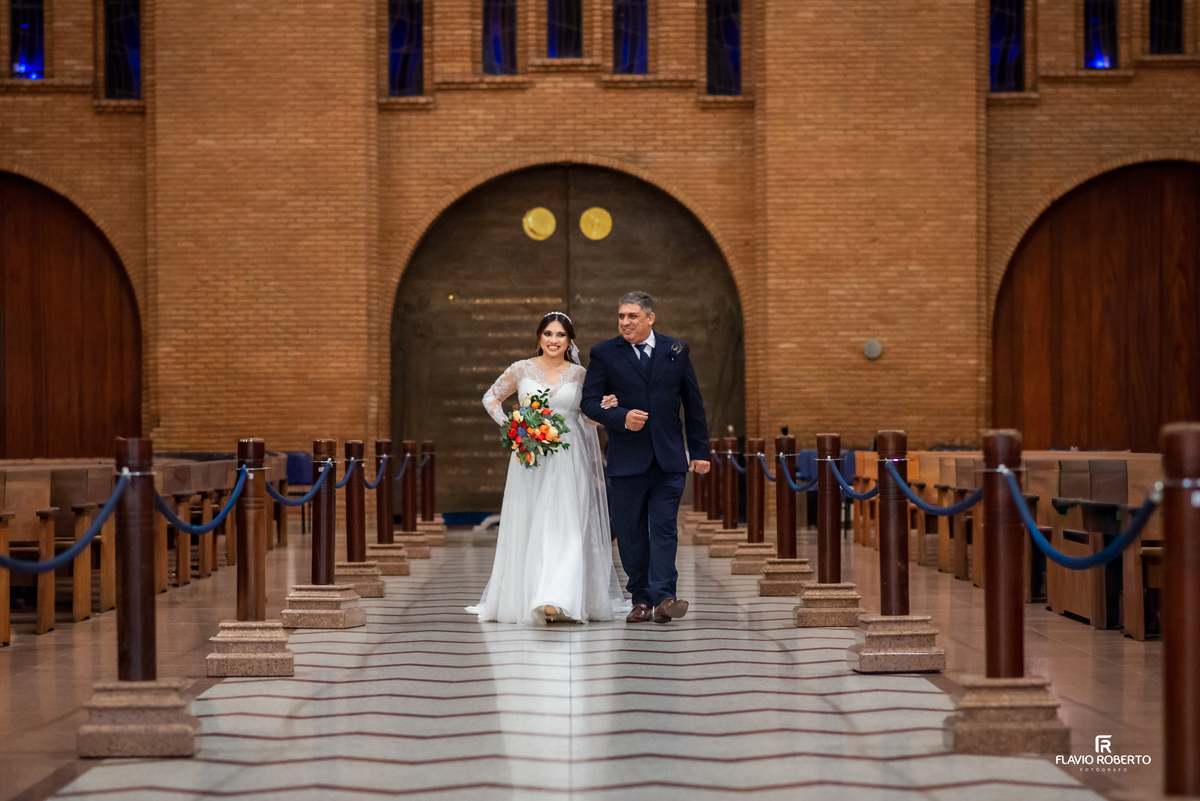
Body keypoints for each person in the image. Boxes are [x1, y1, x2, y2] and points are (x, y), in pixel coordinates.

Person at [469, 312, 629, 625]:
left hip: (570, 457)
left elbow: (587, 418)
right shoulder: (521, 368)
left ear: (569, 340)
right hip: (531, 456)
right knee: (533, 522)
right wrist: (514, 427)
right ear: (539, 336)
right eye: (548, 334)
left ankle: (558, 597)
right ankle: (532, 593)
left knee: (568, 524)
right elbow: (491, 398)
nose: (553, 340)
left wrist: (605, 410)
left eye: (560, 335)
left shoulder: (581, 374)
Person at [580, 292, 710, 624]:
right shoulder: (605, 353)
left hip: (669, 460)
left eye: (632, 316)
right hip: (626, 461)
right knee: (631, 532)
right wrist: (621, 417)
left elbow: (693, 405)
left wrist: (699, 452)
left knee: (665, 528)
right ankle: (640, 598)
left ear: (650, 318)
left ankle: (665, 596)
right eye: (621, 316)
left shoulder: (675, 350)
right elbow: (589, 403)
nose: (625, 322)